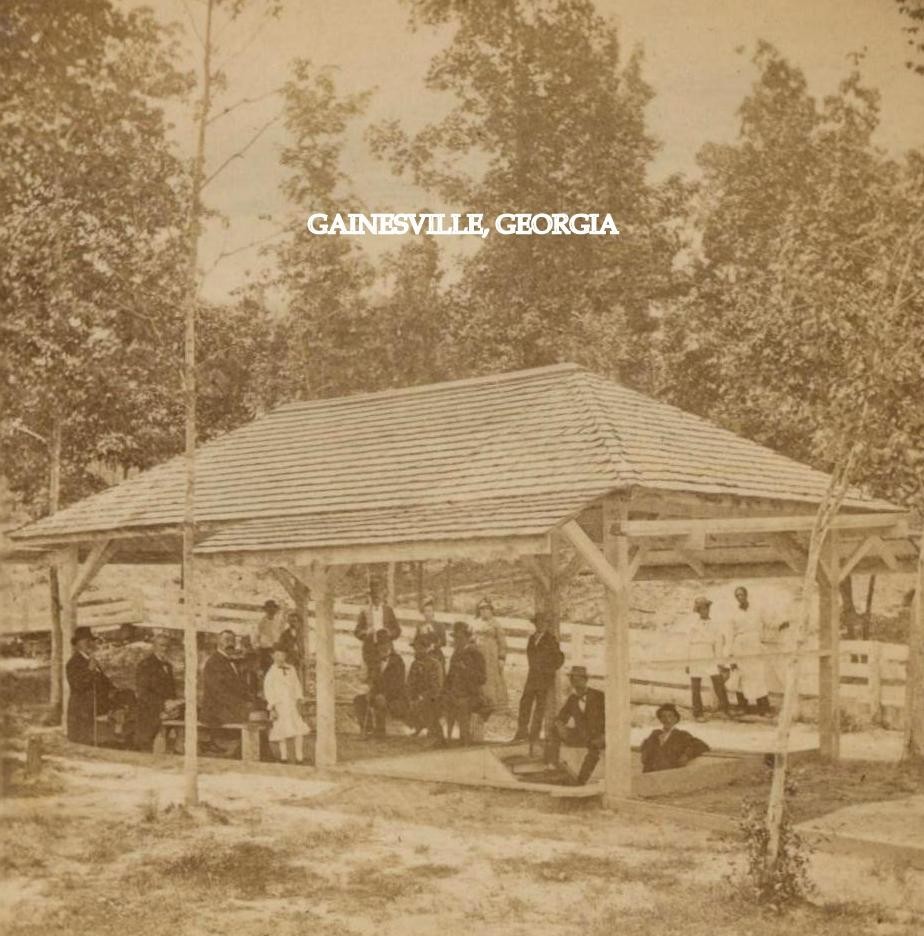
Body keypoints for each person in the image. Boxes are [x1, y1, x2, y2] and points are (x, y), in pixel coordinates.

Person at [512, 611, 564, 743]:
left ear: (546, 625)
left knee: (540, 706)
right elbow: (530, 656)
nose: (540, 625)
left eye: (543, 623)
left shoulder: (550, 639)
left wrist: (548, 670)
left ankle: (534, 735)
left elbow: (559, 658)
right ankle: (522, 731)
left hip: (544, 678)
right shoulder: (531, 638)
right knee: (525, 702)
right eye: (538, 623)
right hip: (532, 676)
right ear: (535, 624)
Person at [547, 665, 605, 785]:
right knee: (554, 729)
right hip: (580, 735)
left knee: (594, 750)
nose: (574, 681)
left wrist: (605, 735)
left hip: (598, 736)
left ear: (585, 680)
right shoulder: (573, 699)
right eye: (572, 679)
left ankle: (581, 781)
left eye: (577, 678)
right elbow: (561, 717)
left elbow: (612, 717)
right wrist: (560, 725)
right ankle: (552, 765)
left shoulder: (599, 696)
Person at [65, 626, 115, 745]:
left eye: (90, 641)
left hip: (96, 704)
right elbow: (77, 685)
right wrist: (90, 670)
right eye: (85, 641)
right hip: (82, 708)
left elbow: (103, 680)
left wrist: (113, 689)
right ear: (77, 644)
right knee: (83, 743)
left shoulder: (91, 660)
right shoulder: (73, 663)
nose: (89, 644)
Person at [726, 586, 772, 715]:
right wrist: (730, 655)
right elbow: (730, 635)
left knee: (758, 677)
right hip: (739, 647)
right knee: (741, 678)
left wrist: (782, 624)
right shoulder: (733, 614)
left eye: (742, 594)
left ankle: (764, 708)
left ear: (746, 595)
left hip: (754, 646)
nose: (740, 597)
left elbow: (768, 623)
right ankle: (742, 707)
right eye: (737, 595)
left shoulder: (757, 610)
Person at [353, 631, 408, 738]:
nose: (382, 648)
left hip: (395, 697)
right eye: (379, 645)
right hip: (379, 694)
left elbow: (398, 684)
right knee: (359, 700)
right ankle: (367, 730)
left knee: (380, 699)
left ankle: (380, 731)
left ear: (390, 646)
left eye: (385, 645)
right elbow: (375, 681)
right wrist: (371, 692)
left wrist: (384, 694)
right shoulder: (376, 661)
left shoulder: (398, 661)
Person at [442, 620, 487, 746]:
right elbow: (449, 677)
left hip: (472, 694)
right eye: (455, 638)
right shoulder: (455, 654)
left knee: (462, 704)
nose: (457, 641)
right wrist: (445, 691)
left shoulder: (476, 654)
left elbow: (482, 679)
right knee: (442, 700)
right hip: (455, 693)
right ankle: (446, 738)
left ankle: (465, 740)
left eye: (460, 638)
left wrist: (466, 670)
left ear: (467, 638)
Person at [263, 647, 311, 763]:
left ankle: (299, 757)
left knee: (298, 729)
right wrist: (272, 707)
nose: (280, 658)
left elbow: (296, 685)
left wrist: (299, 699)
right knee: (281, 731)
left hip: (292, 704)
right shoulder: (271, 672)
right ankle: (284, 757)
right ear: (272, 656)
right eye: (277, 655)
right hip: (280, 705)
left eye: (283, 655)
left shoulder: (291, 669)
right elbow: (268, 690)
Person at [686, 596, 731, 721]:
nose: (705, 611)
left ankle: (724, 709)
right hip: (695, 655)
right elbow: (688, 644)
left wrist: (719, 662)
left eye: (706, 608)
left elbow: (718, 644)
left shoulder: (715, 625)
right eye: (701, 609)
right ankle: (698, 713)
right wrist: (687, 662)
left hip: (709, 654)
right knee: (695, 685)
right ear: (698, 610)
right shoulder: (693, 625)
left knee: (718, 682)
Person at [134, 631, 178, 751]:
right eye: (161, 645)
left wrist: (173, 704)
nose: (164, 649)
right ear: (154, 646)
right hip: (150, 711)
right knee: (148, 748)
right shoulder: (145, 665)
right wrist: (163, 704)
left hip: (167, 711)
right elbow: (143, 693)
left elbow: (171, 691)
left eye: (167, 646)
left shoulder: (168, 666)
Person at [201, 630, 255, 726]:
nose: (230, 643)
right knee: (252, 721)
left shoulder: (232, 662)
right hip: (216, 711)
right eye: (226, 640)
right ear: (218, 642)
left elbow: (239, 687)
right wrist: (241, 705)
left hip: (229, 708)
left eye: (233, 640)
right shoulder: (214, 662)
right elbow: (218, 692)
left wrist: (250, 700)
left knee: (259, 717)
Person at [640, 703, 710, 773]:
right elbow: (646, 745)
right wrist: (644, 751)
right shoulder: (655, 734)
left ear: (676, 719)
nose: (667, 719)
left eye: (670, 716)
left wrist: (686, 755)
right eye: (663, 716)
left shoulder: (681, 735)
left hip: (668, 773)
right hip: (649, 773)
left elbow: (701, 745)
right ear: (660, 719)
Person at [354, 581, 400, 675]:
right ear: (370, 597)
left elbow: (397, 630)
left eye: (378, 594)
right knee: (372, 677)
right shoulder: (364, 611)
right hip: (371, 648)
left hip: (385, 648)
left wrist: (389, 633)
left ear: (382, 595)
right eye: (373, 595)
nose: (376, 598)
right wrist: (366, 632)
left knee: (386, 676)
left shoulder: (388, 610)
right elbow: (357, 631)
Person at [406, 633, 445, 741]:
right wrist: (410, 696)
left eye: (421, 648)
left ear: (427, 649)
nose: (417, 651)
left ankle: (434, 730)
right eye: (416, 648)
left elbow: (436, 687)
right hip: (417, 695)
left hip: (433, 696)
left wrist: (422, 696)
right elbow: (410, 682)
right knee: (402, 703)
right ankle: (418, 727)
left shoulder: (434, 664)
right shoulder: (415, 663)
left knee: (427, 704)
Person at [473, 597, 508, 715]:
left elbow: (502, 642)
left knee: (491, 677)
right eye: (482, 609)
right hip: (477, 654)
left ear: (491, 611)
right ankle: (479, 701)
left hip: (491, 655)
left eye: (487, 609)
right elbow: (470, 637)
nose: (484, 612)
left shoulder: (496, 624)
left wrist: (501, 658)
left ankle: (493, 704)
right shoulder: (475, 623)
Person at [414, 595, 447, 671]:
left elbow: (443, 642)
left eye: (429, 611)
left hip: (436, 654)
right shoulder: (420, 626)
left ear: (433, 612)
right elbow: (416, 641)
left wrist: (433, 646)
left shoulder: (439, 625)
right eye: (425, 611)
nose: (427, 613)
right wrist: (420, 649)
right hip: (423, 654)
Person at [255, 599, 282, 673]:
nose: (271, 610)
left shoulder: (278, 622)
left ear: (275, 610)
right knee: (267, 671)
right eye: (269, 608)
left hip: (277, 650)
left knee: (277, 671)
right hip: (265, 651)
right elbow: (256, 636)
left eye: (273, 608)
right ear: (266, 610)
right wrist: (259, 648)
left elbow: (280, 635)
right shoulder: (261, 622)